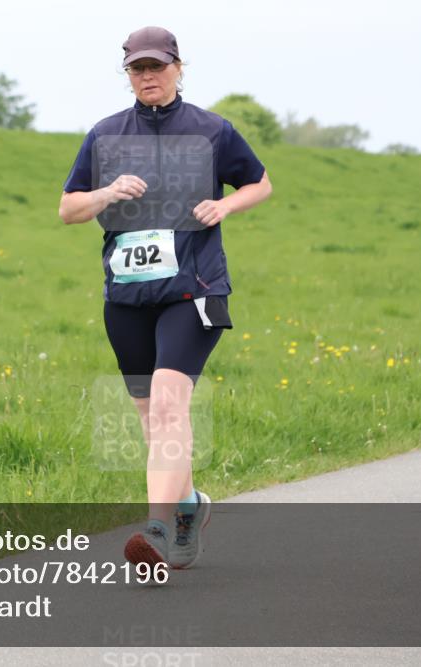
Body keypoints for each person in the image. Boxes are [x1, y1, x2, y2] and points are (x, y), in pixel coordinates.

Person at [58, 26, 273, 569]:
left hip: (194, 292)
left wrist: (225, 207)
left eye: (156, 67)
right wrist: (106, 192)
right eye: (137, 69)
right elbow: (69, 209)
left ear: (179, 67)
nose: (147, 77)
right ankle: (188, 508)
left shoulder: (212, 131)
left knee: (173, 407)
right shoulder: (105, 136)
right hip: (127, 297)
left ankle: (153, 531)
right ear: (127, 74)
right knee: (152, 421)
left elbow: (260, 183)